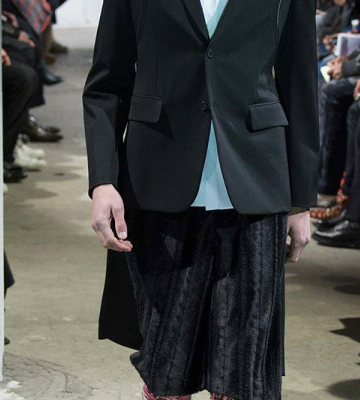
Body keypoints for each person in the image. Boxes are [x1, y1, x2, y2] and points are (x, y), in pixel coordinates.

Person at [82, 0, 319, 399]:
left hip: (257, 179)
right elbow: (107, 82)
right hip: (159, 177)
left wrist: (301, 199)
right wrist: (103, 181)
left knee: (244, 371)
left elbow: (300, 82)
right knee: (167, 361)